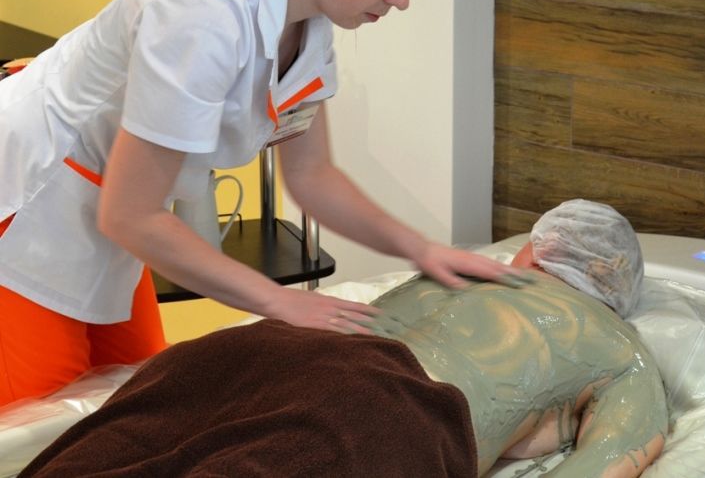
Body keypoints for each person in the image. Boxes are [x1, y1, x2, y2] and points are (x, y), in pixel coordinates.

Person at [0, 0, 524, 408]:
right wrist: (280, 301)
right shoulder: (202, 13)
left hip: (113, 211)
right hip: (31, 201)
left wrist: (422, 250)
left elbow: (312, 176)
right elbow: (131, 214)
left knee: (137, 400)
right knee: (37, 427)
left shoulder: (310, 26)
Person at [19, 200, 668, 478]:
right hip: (379, 405)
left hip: (258, 347)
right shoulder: (619, 349)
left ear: (537, 249)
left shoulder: (461, 271)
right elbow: (608, 460)